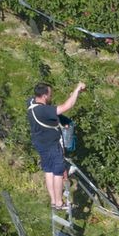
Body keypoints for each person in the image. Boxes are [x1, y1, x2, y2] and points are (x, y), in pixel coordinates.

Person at [27, 80, 85, 212]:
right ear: (44, 96)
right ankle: (59, 203)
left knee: (48, 171)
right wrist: (76, 90)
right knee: (58, 173)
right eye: (50, 95)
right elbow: (66, 106)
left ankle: (53, 201)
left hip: (40, 144)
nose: (51, 97)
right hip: (51, 145)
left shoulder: (31, 104)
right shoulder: (43, 110)